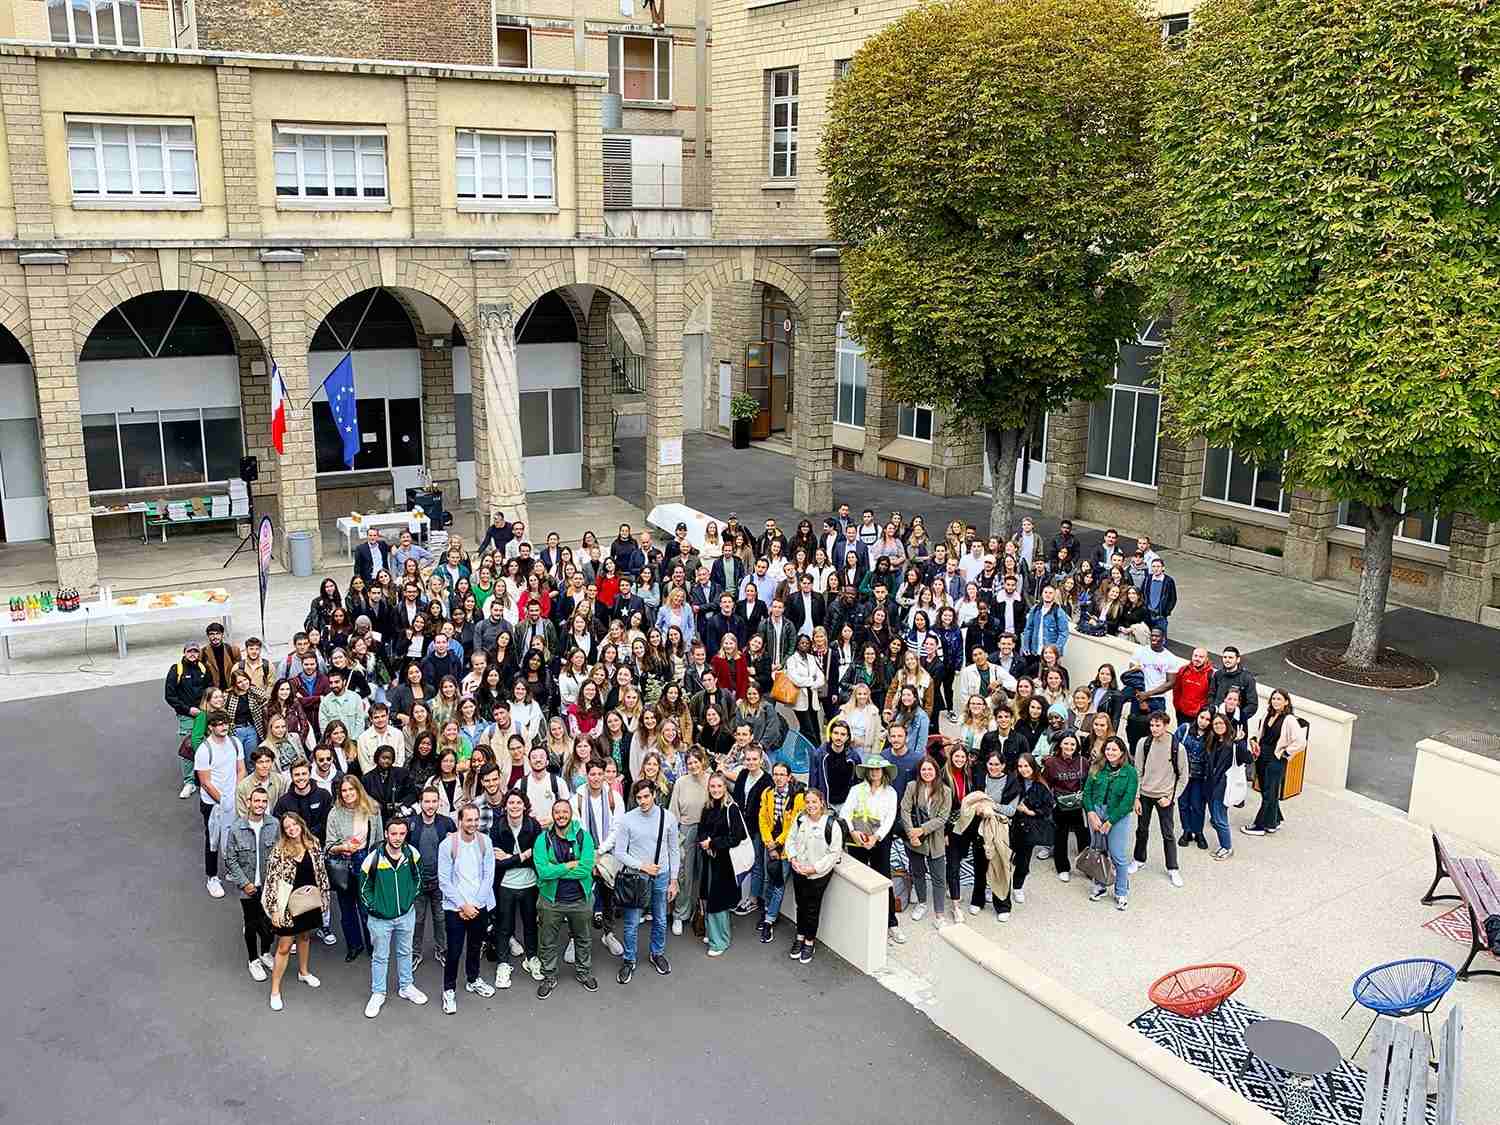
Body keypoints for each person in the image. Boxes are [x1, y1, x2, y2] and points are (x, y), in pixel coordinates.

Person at [358, 817, 429, 1017]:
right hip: (380, 919)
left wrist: (409, 900)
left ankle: (406, 986)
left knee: (405, 952)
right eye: (394, 833)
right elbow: (364, 889)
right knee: (380, 956)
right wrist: (376, 908)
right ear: (387, 834)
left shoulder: (412, 854)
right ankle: (378, 993)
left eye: (402, 833)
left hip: (406, 915)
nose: (397, 838)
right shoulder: (372, 859)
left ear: (406, 834)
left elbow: (419, 879)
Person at [261, 811, 330, 1011]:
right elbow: (272, 881)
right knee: (283, 946)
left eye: (294, 825)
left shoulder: (314, 844)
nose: (291, 829)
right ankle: (275, 990)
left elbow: (322, 873)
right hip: (287, 905)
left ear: (301, 824)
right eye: (287, 827)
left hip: (309, 900)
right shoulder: (279, 851)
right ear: (283, 831)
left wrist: (324, 900)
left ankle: (304, 972)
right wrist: (275, 911)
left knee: (305, 937)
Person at [615, 778, 680, 984]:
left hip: (661, 875)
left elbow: (674, 850)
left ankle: (657, 953)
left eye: (646, 796)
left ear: (654, 795)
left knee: (660, 918)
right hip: (637, 876)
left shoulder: (668, 818)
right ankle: (629, 959)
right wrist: (642, 866)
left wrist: (674, 880)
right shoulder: (627, 819)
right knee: (632, 922)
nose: (642, 801)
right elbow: (619, 852)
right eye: (639, 797)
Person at [533, 797, 598, 997]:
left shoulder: (583, 837)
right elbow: (543, 872)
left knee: (583, 938)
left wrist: (557, 870)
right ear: (553, 815)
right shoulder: (542, 839)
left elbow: (586, 869)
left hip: (580, 900)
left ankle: (583, 972)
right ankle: (549, 976)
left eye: (565, 812)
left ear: (571, 814)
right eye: (557, 812)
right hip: (551, 901)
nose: (561, 815)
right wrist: (569, 865)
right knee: (547, 941)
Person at [438, 804, 498, 1013]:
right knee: (454, 951)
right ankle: (449, 990)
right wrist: (463, 905)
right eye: (468, 820)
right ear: (460, 821)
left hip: (479, 906)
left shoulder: (485, 842)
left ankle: (473, 979)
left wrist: (476, 904)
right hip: (455, 908)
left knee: (474, 947)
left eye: (475, 820)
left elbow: (488, 875)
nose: (472, 824)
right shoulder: (447, 845)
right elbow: (444, 881)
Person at [219, 785, 278, 982]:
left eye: (263, 801)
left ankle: (265, 952)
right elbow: (231, 858)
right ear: (248, 803)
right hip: (249, 888)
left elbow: (279, 853)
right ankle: (253, 959)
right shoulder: (237, 828)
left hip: (269, 886)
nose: (260, 805)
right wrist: (244, 883)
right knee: (251, 924)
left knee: (270, 925)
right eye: (257, 801)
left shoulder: (274, 825)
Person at [842, 755, 903, 944]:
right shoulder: (856, 790)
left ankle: (891, 923)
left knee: (884, 879)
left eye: (878, 769)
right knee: (858, 880)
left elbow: (890, 817)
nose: (875, 772)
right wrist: (853, 833)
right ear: (867, 771)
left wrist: (876, 838)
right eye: (872, 769)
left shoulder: (890, 792)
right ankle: (860, 921)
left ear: (884, 771)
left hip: (880, 841)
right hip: (857, 839)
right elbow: (846, 813)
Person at [489, 789, 542, 988]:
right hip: (505, 885)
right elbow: (496, 863)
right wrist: (522, 856)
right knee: (504, 926)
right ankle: (503, 965)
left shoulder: (534, 826)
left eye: (518, 803)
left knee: (530, 924)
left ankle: (532, 958)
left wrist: (510, 857)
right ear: (505, 806)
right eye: (511, 803)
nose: (515, 806)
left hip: (529, 884)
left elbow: (538, 857)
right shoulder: (497, 827)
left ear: (525, 806)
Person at [325, 774, 381, 959]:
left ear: (358, 790)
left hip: (366, 859)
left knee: (367, 908)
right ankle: (354, 945)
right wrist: (342, 847)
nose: (348, 793)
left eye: (351, 789)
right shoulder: (334, 813)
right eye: (344, 790)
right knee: (347, 909)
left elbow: (379, 840)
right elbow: (329, 846)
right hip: (344, 862)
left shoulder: (372, 809)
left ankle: (372, 945)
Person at [1130, 710, 1188, 887]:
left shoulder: (1177, 747)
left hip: (1165, 796)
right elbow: (1137, 771)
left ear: (1166, 725)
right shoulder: (1143, 743)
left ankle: (1172, 868)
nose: (1154, 728)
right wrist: (1136, 797)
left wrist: (1171, 797)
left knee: (1168, 833)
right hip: (1145, 794)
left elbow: (1184, 776)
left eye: (1158, 725)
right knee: (1141, 829)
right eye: (1152, 725)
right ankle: (1139, 859)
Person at [784, 787, 842, 962]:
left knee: (812, 908)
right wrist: (793, 858)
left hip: (818, 875)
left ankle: (809, 942)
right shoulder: (800, 819)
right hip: (799, 871)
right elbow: (790, 840)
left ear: (821, 802)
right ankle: (800, 937)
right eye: (807, 802)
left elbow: (834, 853)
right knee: (800, 905)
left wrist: (814, 869)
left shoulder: (831, 824)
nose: (810, 805)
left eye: (814, 802)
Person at [1083, 737, 1139, 910]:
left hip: (1118, 815)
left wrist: (1110, 821)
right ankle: (1100, 885)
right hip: (1097, 813)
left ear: (1122, 752)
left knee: (1117, 855)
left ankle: (1121, 891)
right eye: (1107, 749)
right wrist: (1091, 813)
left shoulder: (1130, 772)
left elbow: (1128, 800)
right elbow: (1087, 793)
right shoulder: (1097, 768)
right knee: (1099, 851)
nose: (1110, 753)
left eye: (1114, 750)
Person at [698, 772, 749, 956]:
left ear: (725, 787)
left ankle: (720, 941)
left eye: (719, 786)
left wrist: (713, 844)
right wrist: (705, 842)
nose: (716, 790)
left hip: (724, 863)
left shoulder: (731, 808)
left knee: (718, 901)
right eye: (713, 786)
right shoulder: (707, 807)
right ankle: (712, 932)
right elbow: (701, 829)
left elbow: (736, 837)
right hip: (709, 860)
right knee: (707, 896)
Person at [1243, 689, 1305, 838]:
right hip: (1262, 757)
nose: (1276, 702)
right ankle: (1274, 821)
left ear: (1286, 702)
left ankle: (1260, 825)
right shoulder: (1267, 715)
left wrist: (1285, 753)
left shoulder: (1289, 720)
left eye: (1279, 699)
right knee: (1266, 791)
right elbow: (1260, 734)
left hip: (1275, 759)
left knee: (1270, 792)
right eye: (1274, 699)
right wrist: (1253, 741)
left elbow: (1301, 742)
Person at [404, 787, 454, 971]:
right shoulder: (411, 824)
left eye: (434, 801)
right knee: (417, 920)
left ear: (439, 802)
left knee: (441, 919)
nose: (431, 805)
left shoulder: (447, 823)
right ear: (420, 803)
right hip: (417, 882)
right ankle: (415, 953)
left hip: (440, 882)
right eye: (427, 801)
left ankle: (442, 950)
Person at [195, 711, 244, 898]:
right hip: (213, 804)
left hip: (233, 800)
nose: (224, 727)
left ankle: (232, 869)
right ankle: (212, 877)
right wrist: (223, 800)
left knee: (233, 835)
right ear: (211, 727)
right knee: (213, 839)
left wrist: (237, 794)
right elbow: (206, 783)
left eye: (225, 723)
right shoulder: (204, 750)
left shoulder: (235, 743)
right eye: (219, 724)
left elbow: (241, 769)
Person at [900, 755, 952, 926]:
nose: (927, 772)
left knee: (939, 877)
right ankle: (922, 903)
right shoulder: (912, 787)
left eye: (930, 769)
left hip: (935, 840)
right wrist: (911, 833)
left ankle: (939, 914)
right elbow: (905, 810)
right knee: (918, 872)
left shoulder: (945, 791)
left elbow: (942, 817)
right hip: (914, 839)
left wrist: (922, 830)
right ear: (919, 771)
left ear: (936, 771)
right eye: (924, 769)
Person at [755, 760, 804, 942]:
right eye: (776, 774)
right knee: (769, 879)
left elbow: (792, 825)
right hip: (771, 846)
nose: (778, 777)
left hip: (786, 848)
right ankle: (767, 910)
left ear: (789, 777)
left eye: (782, 774)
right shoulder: (767, 793)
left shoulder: (797, 798)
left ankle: (769, 920)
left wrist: (777, 844)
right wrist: (768, 842)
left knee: (778, 883)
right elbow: (763, 819)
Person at [1005, 752, 1055, 910]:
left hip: (1028, 829)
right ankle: (1000, 886)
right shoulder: (1013, 781)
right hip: (1010, 825)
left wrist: (1030, 812)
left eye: (1026, 766)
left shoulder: (1041, 785)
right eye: (1020, 766)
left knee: (1023, 860)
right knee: (1004, 857)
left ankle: (1018, 886)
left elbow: (1048, 808)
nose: (1023, 769)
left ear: (1033, 766)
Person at [166, 640, 211, 798]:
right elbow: (170, 696)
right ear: (184, 653)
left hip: (203, 713)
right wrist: (187, 709)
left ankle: (203, 776)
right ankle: (189, 782)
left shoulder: (203, 668)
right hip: (187, 715)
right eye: (190, 651)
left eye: (195, 651)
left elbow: (209, 690)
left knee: (203, 744)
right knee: (189, 745)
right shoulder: (176, 669)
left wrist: (206, 709)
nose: (193, 654)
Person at [1041, 733, 1089, 878]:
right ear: (1060, 745)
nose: (1069, 747)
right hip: (1059, 804)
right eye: (1066, 743)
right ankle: (1063, 868)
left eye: (1072, 744)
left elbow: (1088, 782)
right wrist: (1051, 801)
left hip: (1078, 805)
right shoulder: (1051, 763)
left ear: (1077, 746)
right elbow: (1044, 783)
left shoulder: (1083, 762)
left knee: (1083, 837)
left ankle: (1086, 866)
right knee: (1060, 837)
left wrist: (1084, 795)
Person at [1175, 707, 1215, 852]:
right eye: (1202, 717)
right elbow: (1173, 747)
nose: (1203, 722)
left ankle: (1198, 832)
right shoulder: (1184, 729)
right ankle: (1186, 830)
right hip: (1183, 775)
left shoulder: (1212, 736)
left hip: (1201, 777)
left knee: (1198, 805)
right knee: (1183, 803)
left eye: (1207, 719)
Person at [235, 747, 286, 816]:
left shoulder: (280, 780)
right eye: (260, 762)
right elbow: (242, 815)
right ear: (254, 764)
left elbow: (283, 807)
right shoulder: (243, 786)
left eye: (268, 761)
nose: (265, 766)